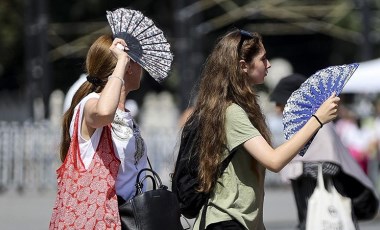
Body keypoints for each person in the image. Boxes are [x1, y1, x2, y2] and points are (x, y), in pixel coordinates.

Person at [185, 28, 340, 230]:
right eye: (263, 59)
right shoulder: (232, 112)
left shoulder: (239, 108)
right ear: (243, 66)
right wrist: (317, 119)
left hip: (240, 222)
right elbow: (274, 161)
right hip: (227, 221)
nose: (269, 64)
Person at [49, 34, 148, 229]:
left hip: (125, 219)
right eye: (138, 61)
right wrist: (121, 62)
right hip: (96, 220)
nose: (142, 68)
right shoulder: (90, 104)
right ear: (127, 66)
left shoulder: (127, 116)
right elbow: (104, 112)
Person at [269, 73, 379, 230]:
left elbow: (330, 165)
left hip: (327, 211)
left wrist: (299, 167)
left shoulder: (318, 123)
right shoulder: (303, 124)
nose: (277, 109)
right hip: (312, 212)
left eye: (280, 103)